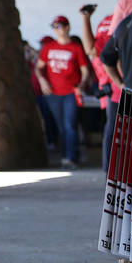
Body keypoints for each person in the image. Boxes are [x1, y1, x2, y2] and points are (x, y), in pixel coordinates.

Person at [34, 15, 91, 170]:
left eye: (59, 26)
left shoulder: (76, 48)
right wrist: (42, 80)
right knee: (61, 126)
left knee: (70, 124)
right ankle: (65, 156)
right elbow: (39, 67)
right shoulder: (48, 47)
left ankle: (71, 158)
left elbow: (85, 71)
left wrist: (82, 84)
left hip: (71, 92)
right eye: (54, 27)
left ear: (67, 27)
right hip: (53, 93)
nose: (56, 30)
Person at [79, 5, 117, 169]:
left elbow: (91, 50)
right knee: (114, 126)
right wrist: (86, 19)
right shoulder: (113, 22)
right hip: (115, 84)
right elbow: (92, 50)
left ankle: (110, 166)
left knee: (112, 125)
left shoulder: (111, 21)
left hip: (111, 84)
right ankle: (109, 166)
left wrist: (86, 18)